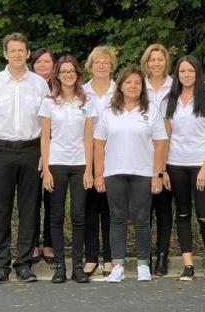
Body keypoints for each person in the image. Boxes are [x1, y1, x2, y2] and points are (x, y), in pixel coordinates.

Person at [0, 32, 50, 283]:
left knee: (30, 209)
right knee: (0, 208)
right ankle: (0, 264)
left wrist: (44, 155)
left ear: (28, 53)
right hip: (1, 152)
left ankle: (25, 263)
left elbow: (45, 123)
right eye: (12, 50)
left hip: (31, 151)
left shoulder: (39, 84)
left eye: (21, 50)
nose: (17, 54)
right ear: (5, 54)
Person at [93, 68, 168, 283]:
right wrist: (99, 175)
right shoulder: (109, 111)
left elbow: (161, 143)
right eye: (128, 82)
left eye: (137, 83)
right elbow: (99, 144)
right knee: (117, 219)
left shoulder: (151, 110)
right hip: (114, 172)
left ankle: (143, 264)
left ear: (142, 87)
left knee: (142, 219)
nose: (133, 86)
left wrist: (158, 174)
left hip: (143, 173)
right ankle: (118, 265)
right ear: (121, 86)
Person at [162, 55, 205, 281]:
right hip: (176, 164)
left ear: (197, 73)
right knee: (183, 214)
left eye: (190, 71)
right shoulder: (168, 100)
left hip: (203, 164)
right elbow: (166, 138)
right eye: (182, 71)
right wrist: (163, 170)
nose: (186, 75)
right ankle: (188, 264)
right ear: (177, 74)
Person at [39, 55, 95, 284]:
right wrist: (47, 171)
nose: (68, 75)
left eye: (72, 71)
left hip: (80, 164)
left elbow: (89, 138)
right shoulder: (48, 102)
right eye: (64, 71)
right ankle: (60, 266)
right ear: (57, 75)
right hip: (57, 163)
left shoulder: (87, 101)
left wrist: (90, 170)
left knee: (79, 215)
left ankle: (78, 266)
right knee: (57, 215)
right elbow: (44, 138)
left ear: (77, 74)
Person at [82, 46, 117, 277]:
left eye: (106, 62)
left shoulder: (120, 91)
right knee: (89, 208)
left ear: (112, 66)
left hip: (115, 154)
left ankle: (110, 258)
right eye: (97, 62)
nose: (101, 66)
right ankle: (91, 256)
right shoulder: (81, 91)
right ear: (90, 66)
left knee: (110, 209)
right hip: (86, 155)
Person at [141, 44, 174, 276]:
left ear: (166, 62)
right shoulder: (136, 84)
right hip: (141, 156)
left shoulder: (176, 86)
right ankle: (146, 255)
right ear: (146, 62)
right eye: (151, 59)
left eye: (160, 59)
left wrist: (164, 167)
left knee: (163, 209)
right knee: (144, 209)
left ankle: (163, 255)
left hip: (169, 153)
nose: (156, 63)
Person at [31, 48, 55, 264]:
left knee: (51, 199)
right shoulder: (26, 85)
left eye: (46, 61)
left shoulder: (62, 87)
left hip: (54, 150)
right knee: (31, 200)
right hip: (29, 148)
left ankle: (49, 244)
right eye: (38, 61)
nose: (42, 65)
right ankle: (31, 245)